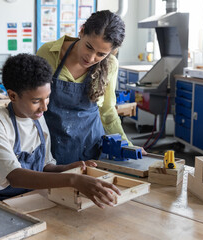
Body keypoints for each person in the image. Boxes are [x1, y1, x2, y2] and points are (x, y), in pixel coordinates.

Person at [0, 54, 120, 208]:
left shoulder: (37, 118)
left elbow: (45, 167)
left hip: (34, 195)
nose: (45, 107)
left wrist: (67, 169)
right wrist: (72, 180)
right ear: (12, 96)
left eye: (47, 98)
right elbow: (14, 176)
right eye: (36, 101)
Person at [37, 10, 145, 165]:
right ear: (81, 31)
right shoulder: (48, 53)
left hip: (90, 147)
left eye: (101, 54)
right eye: (88, 47)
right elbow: (31, 100)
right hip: (51, 145)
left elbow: (107, 111)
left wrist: (126, 145)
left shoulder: (111, 65)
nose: (91, 58)